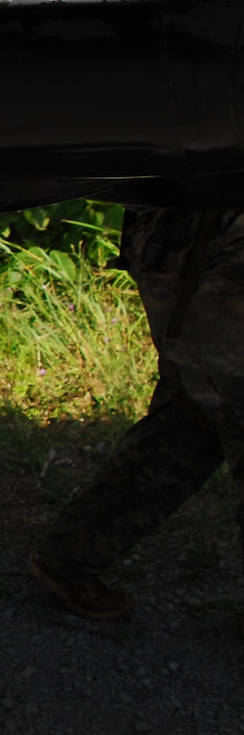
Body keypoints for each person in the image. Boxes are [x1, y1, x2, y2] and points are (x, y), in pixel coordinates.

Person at [30, 208, 244, 623]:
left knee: (188, 424)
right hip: (211, 244)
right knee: (201, 414)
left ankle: (71, 555)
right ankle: (70, 557)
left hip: (196, 241)